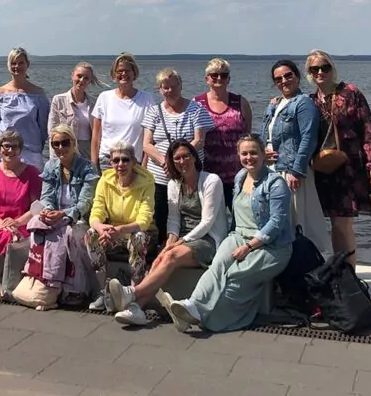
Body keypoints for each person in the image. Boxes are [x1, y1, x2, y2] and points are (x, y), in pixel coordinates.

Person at [165, 134, 293, 333]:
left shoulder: (276, 184)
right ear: (238, 155)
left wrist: (249, 247)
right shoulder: (240, 177)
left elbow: (276, 224)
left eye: (253, 153)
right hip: (239, 235)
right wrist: (236, 241)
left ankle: (211, 320)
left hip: (271, 245)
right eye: (244, 153)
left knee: (234, 275)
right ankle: (194, 306)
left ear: (263, 154)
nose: (248, 157)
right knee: (217, 265)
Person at [108, 140, 228, 326]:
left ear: (194, 157)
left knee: (170, 256)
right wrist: (170, 242)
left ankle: (133, 293)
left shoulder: (211, 181)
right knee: (160, 257)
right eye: (177, 158)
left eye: (186, 156)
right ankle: (136, 308)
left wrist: (178, 243)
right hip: (183, 239)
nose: (182, 161)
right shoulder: (174, 184)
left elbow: (207, 222)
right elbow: (173, 221)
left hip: (207, 239)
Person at [305, 50, 371, 267]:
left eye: (325, 67)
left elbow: (368, 130)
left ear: (332, 69)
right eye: (315, 69)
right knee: (334, 221)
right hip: (324, 169)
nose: (320, 72)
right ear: (309, 73)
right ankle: (341, 270)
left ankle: (348, 274)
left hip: (350, 167)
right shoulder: (310, 101)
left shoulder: (350, 93)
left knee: (343, 222)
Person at [17, 124, 99, 306]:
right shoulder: (50, 167)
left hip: (78, 218)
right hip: (56, 216)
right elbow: (46, 197)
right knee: (36, 224)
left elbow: (85, 203)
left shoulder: (88, 168)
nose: (60, 148)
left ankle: (75, 288)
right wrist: (47, 210)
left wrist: (63, 214)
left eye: (64, 143)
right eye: (55, 144)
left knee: (69, 235)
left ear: (73, 143)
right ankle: (43, 279)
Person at [261, 59, 329, 251]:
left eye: (288, 75)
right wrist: (263, 153)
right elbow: (265, 135)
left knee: (298, 221)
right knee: (277, 219)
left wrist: (297, 171)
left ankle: (306, 264)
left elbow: (308, 138)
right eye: (278, 79)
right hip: (273, 170)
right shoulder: (275, 105)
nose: (284, 81)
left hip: (291, 171)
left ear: (297, 77)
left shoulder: (304, 103)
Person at [142, 68, 213, 244]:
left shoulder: (196, 110)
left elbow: (199, 140)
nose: (170, 91)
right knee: (161, 215)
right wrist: (165, 161)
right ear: (159, 89)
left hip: (189, 175)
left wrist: (179, 159)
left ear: (181, 85)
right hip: (160, 176)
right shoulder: (153, 111)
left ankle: (187, 247)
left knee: (190, 214)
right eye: (165, 88)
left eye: (174, 86)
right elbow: (147, 144)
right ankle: (162, 249)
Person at [85, 141, 157, 311]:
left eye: (125, 160)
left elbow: (144, 221)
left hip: (142, 234)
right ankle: (103, 292)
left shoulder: (146, 182)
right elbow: (96, 211)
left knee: (138, 238)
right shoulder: (105, 180)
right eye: (115, 160)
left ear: (134, 161)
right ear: (110, 163)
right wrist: (101, 227)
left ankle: (133, 293)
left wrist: (120, 230)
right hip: (113, 233)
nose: (120, 165)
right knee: (91, 234)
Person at [0, 129, 42, 296]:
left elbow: (36, 208)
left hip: (20, 221)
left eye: (14, 147)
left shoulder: (31, 173)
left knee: (11, 235)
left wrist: (16, 222)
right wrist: (0, 223)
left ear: (20, 149)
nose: (10, 150)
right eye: (6, 146)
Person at [194, 58, 252, 224]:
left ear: (229, 78)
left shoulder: (241, 102)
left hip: (238, 176)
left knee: (241, 220)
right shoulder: (197, 104)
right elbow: (194, 139)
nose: (219, 78)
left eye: (223, 75)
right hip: (208, 175)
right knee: (212, 223)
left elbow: (248, 136)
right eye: (214, 75)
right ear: (207, 79)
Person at [90, 53, 154, 172]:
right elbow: (96, 136)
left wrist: (145, 166)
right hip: (107, 161)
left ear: (134, 73)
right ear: (114, 75)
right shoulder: (104, 97)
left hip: (134, 162)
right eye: (119, 71)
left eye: (127, 70)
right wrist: (94, 164)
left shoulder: (146, 99)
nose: (123, 74)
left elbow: (149, 138)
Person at [0, 47, 50, 170]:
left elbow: (43, 127)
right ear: (8, 65)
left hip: (30, 152)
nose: (17, 66)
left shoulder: (38, 94)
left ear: (27, 64)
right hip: (4, 151)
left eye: (21, 63)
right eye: (13, 63)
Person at [48, 62, 106, 160]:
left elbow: (99, 134)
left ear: (90, 81)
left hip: (87, 152)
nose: (81, 80)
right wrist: (54, 159)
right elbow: (52, 132)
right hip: (66, 150)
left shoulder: (95, 103)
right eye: (79, 76)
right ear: (72, 76)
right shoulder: (59, 100)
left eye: (86, 78)